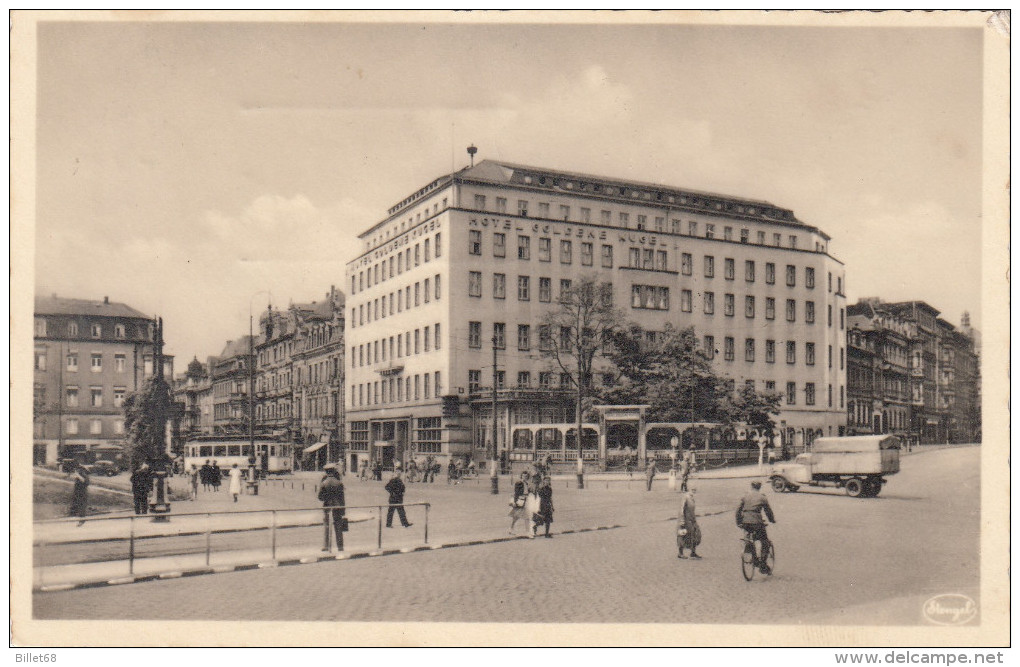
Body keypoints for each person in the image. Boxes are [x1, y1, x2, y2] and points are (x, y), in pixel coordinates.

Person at [736, 480, 777, 574]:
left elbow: (738, 510)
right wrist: (772, 520)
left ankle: (750, 552)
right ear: (759, 487)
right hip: (757, 523)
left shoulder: (745, 496)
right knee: (765, 542)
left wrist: (739, 522)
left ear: (751, 487)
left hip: (746, 522)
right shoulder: (762, 497)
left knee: (749, 538)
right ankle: (762, 565)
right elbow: (768, 511)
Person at [318, 463, 346, 551]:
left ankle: (326, 546)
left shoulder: (324, 483)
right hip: (337, 507)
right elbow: (342, 498)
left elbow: (320, 497)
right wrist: (343, 511)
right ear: (333, 471)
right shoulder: (339, 483)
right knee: (338, 527)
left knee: (326, 526)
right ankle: (340, 546)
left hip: (327, 507)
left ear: (326, 472)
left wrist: (326, 497)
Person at [676, 486, 702, 559]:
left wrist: (694, 519)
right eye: (692, 489)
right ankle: (680, 553)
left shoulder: (691, 498)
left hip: (692, 520)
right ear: (689, 490)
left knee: (695, 535)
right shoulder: (685, 497)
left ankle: (693, 552)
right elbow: (681, 509)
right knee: (683, 535)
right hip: (685, 520)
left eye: (695, 490)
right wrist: (682, 521)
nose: (694, 491)